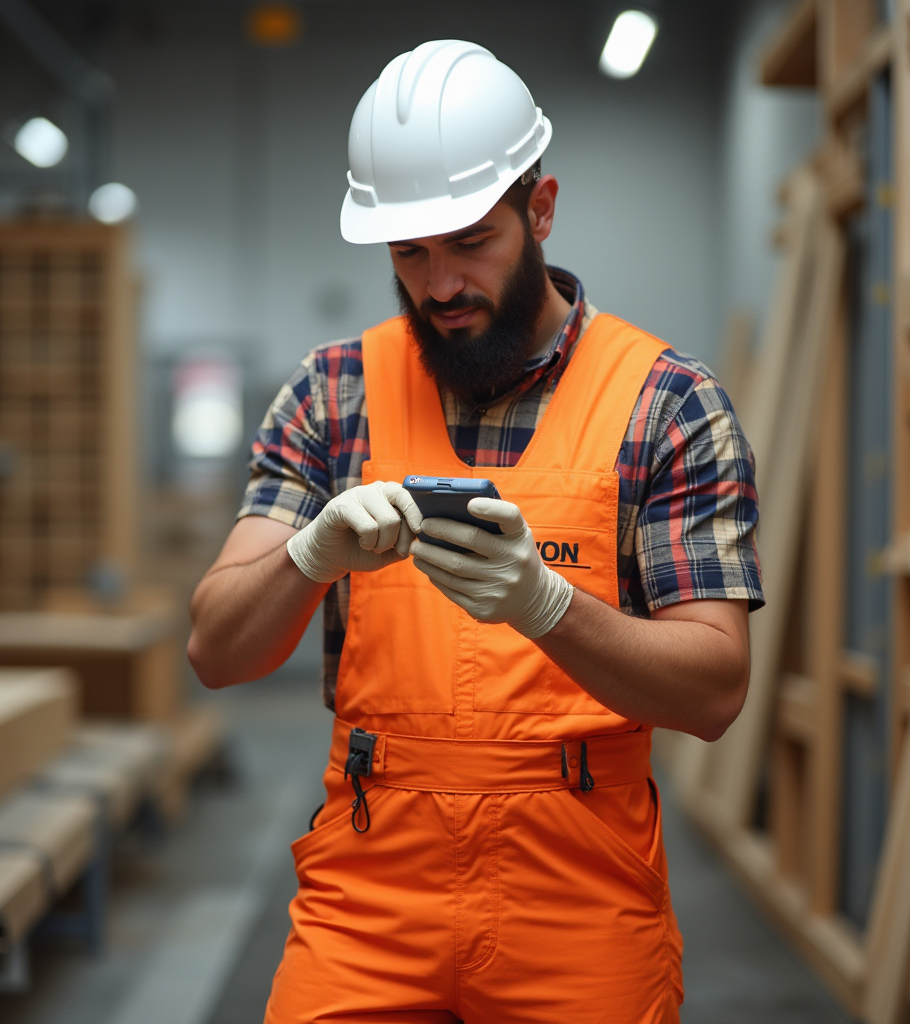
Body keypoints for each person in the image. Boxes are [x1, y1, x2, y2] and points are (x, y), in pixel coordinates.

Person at [188, 39, 763, 1024]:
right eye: (409, 252)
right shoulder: (332, 395)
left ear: (538, 211)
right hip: (370, 886)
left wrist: (546, 606)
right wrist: (307, 555)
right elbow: (217, 650)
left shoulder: (666, 405)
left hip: (578, 889)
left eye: (470, 240)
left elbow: (713, 691)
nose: (440, 283)